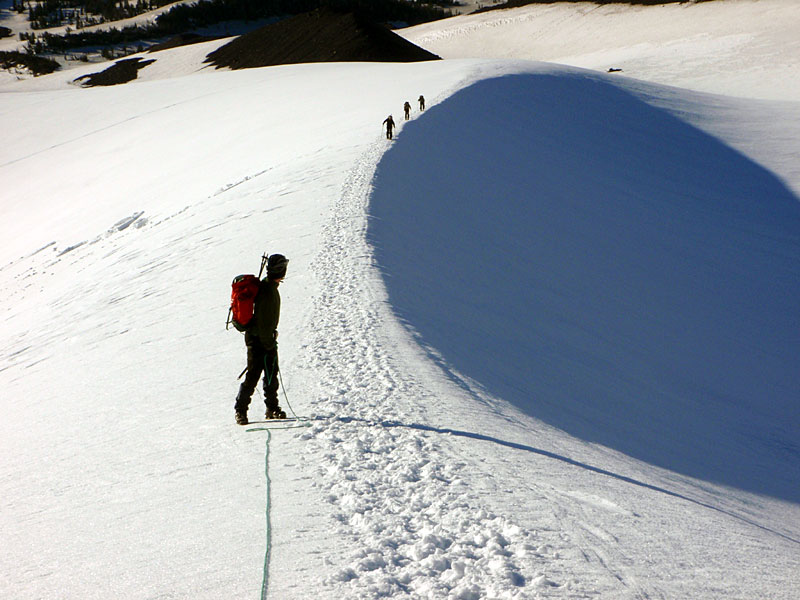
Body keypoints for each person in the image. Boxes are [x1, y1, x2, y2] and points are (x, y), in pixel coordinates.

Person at [234, 254, 289, 425]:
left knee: (267, 375)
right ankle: (242, 411)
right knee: (257, 376)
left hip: (259, 338)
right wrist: (270, 343)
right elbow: (265, 322)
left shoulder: (267, 287)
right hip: (261, 340)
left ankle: (269, 408)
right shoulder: (269, 291)